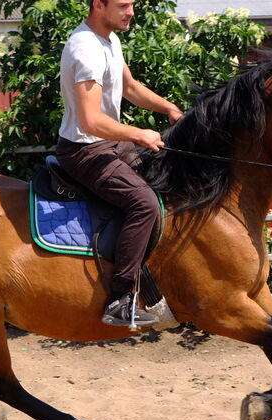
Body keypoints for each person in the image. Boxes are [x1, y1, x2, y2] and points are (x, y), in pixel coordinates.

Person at [56, 0, 183, 327]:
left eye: (133, 5)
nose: (131, 12)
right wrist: (139, 134)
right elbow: (89, 121)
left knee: (169, 175)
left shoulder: (110, 39)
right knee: (144, 205)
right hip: (85, 150)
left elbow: (130, 88)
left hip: (109, 143)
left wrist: (169, 108)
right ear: (99, 4)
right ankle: (120, 300)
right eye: (124, 5)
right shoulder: (85, 48)